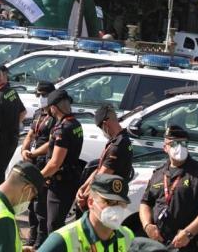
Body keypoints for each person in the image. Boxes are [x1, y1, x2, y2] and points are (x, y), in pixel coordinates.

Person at [140, 125, 198, 251]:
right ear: (165, 148)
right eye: (173, 143)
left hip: (191, 244)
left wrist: (188, 233)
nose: (179, 147)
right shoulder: (159, 173)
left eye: (183, 143)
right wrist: (147, 226)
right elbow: (145, 203)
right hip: (162, 244)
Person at [38, 174, 135, 251]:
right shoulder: (62, 239)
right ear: (91, 202)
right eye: (109, 202)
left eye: (121, 203)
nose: (116, 209)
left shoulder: (127, 236)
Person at [77, 104, 134, 211]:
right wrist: (83, 187)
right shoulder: (117, 140)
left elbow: (102, 175)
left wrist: (85, 196)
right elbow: (100, 169)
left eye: (100, 127)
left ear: (105, 124)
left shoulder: (118, 146)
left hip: (110, 199)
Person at [41, 89, 83, 233]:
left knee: (54, 225)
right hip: (71, 177)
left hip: (60, 182)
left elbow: (55, 163)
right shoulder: (76, 123)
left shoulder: (62, 129)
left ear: (53, 108)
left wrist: (38, 177)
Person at [20, 81, 56, 247]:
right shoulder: (38, 114)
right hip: (32, 160)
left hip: (43, 161)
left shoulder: (55, 118)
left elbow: (51, 143)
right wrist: (24, 149)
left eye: (44, 95)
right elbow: (30, 134)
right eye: (39, 95)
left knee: (40, 204)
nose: (41, 98)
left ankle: (41, 239)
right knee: (30, 201)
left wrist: (33, 152)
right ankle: (32, 234)